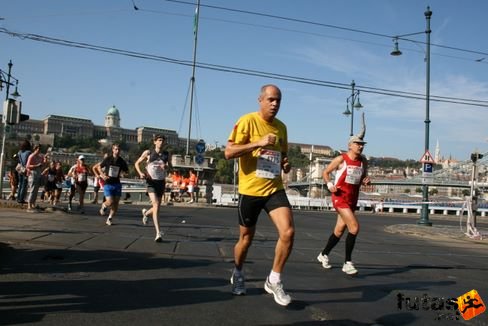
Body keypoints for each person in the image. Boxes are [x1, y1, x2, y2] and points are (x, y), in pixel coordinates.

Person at [224, 84, 294, 306]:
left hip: (274, 188)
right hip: (250, 191)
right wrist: (258, 143)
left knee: (288, 232)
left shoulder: (282, 128)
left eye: (278, 101)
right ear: (260, 100)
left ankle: (274, 279)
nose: (275, 104)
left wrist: (285, 163)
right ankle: (237, 272)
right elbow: (228, 152)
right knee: (246, 239)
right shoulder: (247, 121)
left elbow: (282, 155)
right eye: (271, 99)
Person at [317, 113, 370, 276]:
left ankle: (323, 254)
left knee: (339, 230)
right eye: (358, 143)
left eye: (362, 144)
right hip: (339, 197)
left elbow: (362, 178)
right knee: (354, 227)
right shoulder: (341, 159)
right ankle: (347, 262)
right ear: (350, 145)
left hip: (352, 198)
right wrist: (330, 184)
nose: (360, 146)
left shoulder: (363, 161)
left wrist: (366, 181)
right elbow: (325, 173)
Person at [135, 134, 170, 242]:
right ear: (155, 142)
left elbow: (170, 165)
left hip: (161, 182)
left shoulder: (166, 154)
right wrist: (140, 173)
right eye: (159, 140)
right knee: (155, 204)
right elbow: (137, 163)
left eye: (163, 140)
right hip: (150, 182)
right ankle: (158, 233)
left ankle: (145, 213)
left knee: (157, 208)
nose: (161, 142)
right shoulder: (148, 153)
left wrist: (167, 166)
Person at [94, 143, 129, 226]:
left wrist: (123, 174)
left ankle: (110, 218)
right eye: (116, 149)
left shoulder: (121, 161)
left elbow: (127, 171)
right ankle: (104, 205)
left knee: (116, 203)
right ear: (113, 150)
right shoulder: (108, 159)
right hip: (108, 183)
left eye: (119, 149)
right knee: (110, 202)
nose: (117, 151)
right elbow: (99, 167)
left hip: (117, 183)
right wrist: (102, 175)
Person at [25, 144, 45, 212]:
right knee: (33, 190)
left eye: (40, 149)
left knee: (36, 191)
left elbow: (42, 165)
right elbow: (27, 166)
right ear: (35, 149)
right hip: (32, 174)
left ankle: (33, 204)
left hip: (38, 174)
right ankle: (29, 205)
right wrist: (36, 165)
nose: (39, 150)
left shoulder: (40, 157)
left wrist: (43, 163)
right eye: (38, 149)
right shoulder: (31, 156)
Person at [16, 140, 32, 204]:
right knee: (24, 185)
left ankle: (18, 198)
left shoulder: (19, 152)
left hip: (20, 169)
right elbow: (27, 162)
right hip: (25, 170)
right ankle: (21, 199)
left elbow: (17, 159)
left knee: (20, 184)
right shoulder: (29, 152)